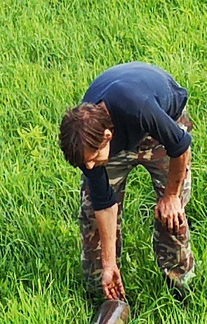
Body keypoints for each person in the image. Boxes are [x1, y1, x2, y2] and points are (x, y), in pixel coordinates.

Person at [58, 62, 194, 303]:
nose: (88, 168)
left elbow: (180, 147)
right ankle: (101, 293)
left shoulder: (138, 108)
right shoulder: (82, 143)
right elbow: (103, 203)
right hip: (112, 137)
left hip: (161, 128)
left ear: (107, 137)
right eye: (84, 163)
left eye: (91, 161)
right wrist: (109, 263)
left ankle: (180, 289)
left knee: (171, 215)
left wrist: (171, 196)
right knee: (91, 214)